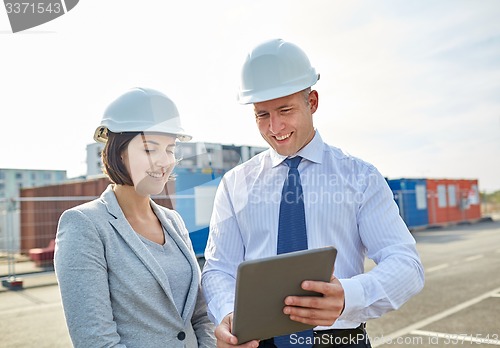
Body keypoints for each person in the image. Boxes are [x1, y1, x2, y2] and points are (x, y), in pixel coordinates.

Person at [201, 39, 424, 348]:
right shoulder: (235, 184)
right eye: (261, 115)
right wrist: (228, 314)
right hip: (257, 342)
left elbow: (406, 265)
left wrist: (347, 296)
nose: (275, 127)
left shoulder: (360, 177)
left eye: (285, 110)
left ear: (313, 102)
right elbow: (218, 269)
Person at [54, 87, 216, 348]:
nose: (165, 161)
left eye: (170, 150)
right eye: (150, 150)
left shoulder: (173, 221)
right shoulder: (84, 225)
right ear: (119, 152)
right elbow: (95, 340)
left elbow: (200, 315)